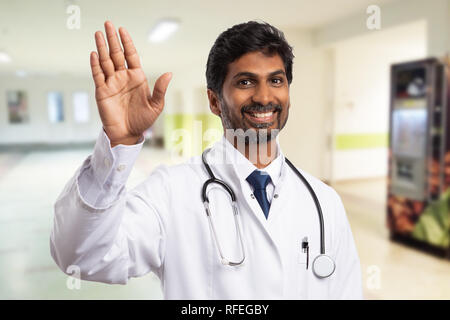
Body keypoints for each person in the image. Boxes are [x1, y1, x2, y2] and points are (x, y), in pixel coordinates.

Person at [50, 20, 363, 299]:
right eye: (245, 82)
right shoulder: (170, 192)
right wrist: (119, 144)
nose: (265, 96)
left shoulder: (324, 202)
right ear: (214, 100)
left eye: (276, 80)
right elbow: (83, 258)